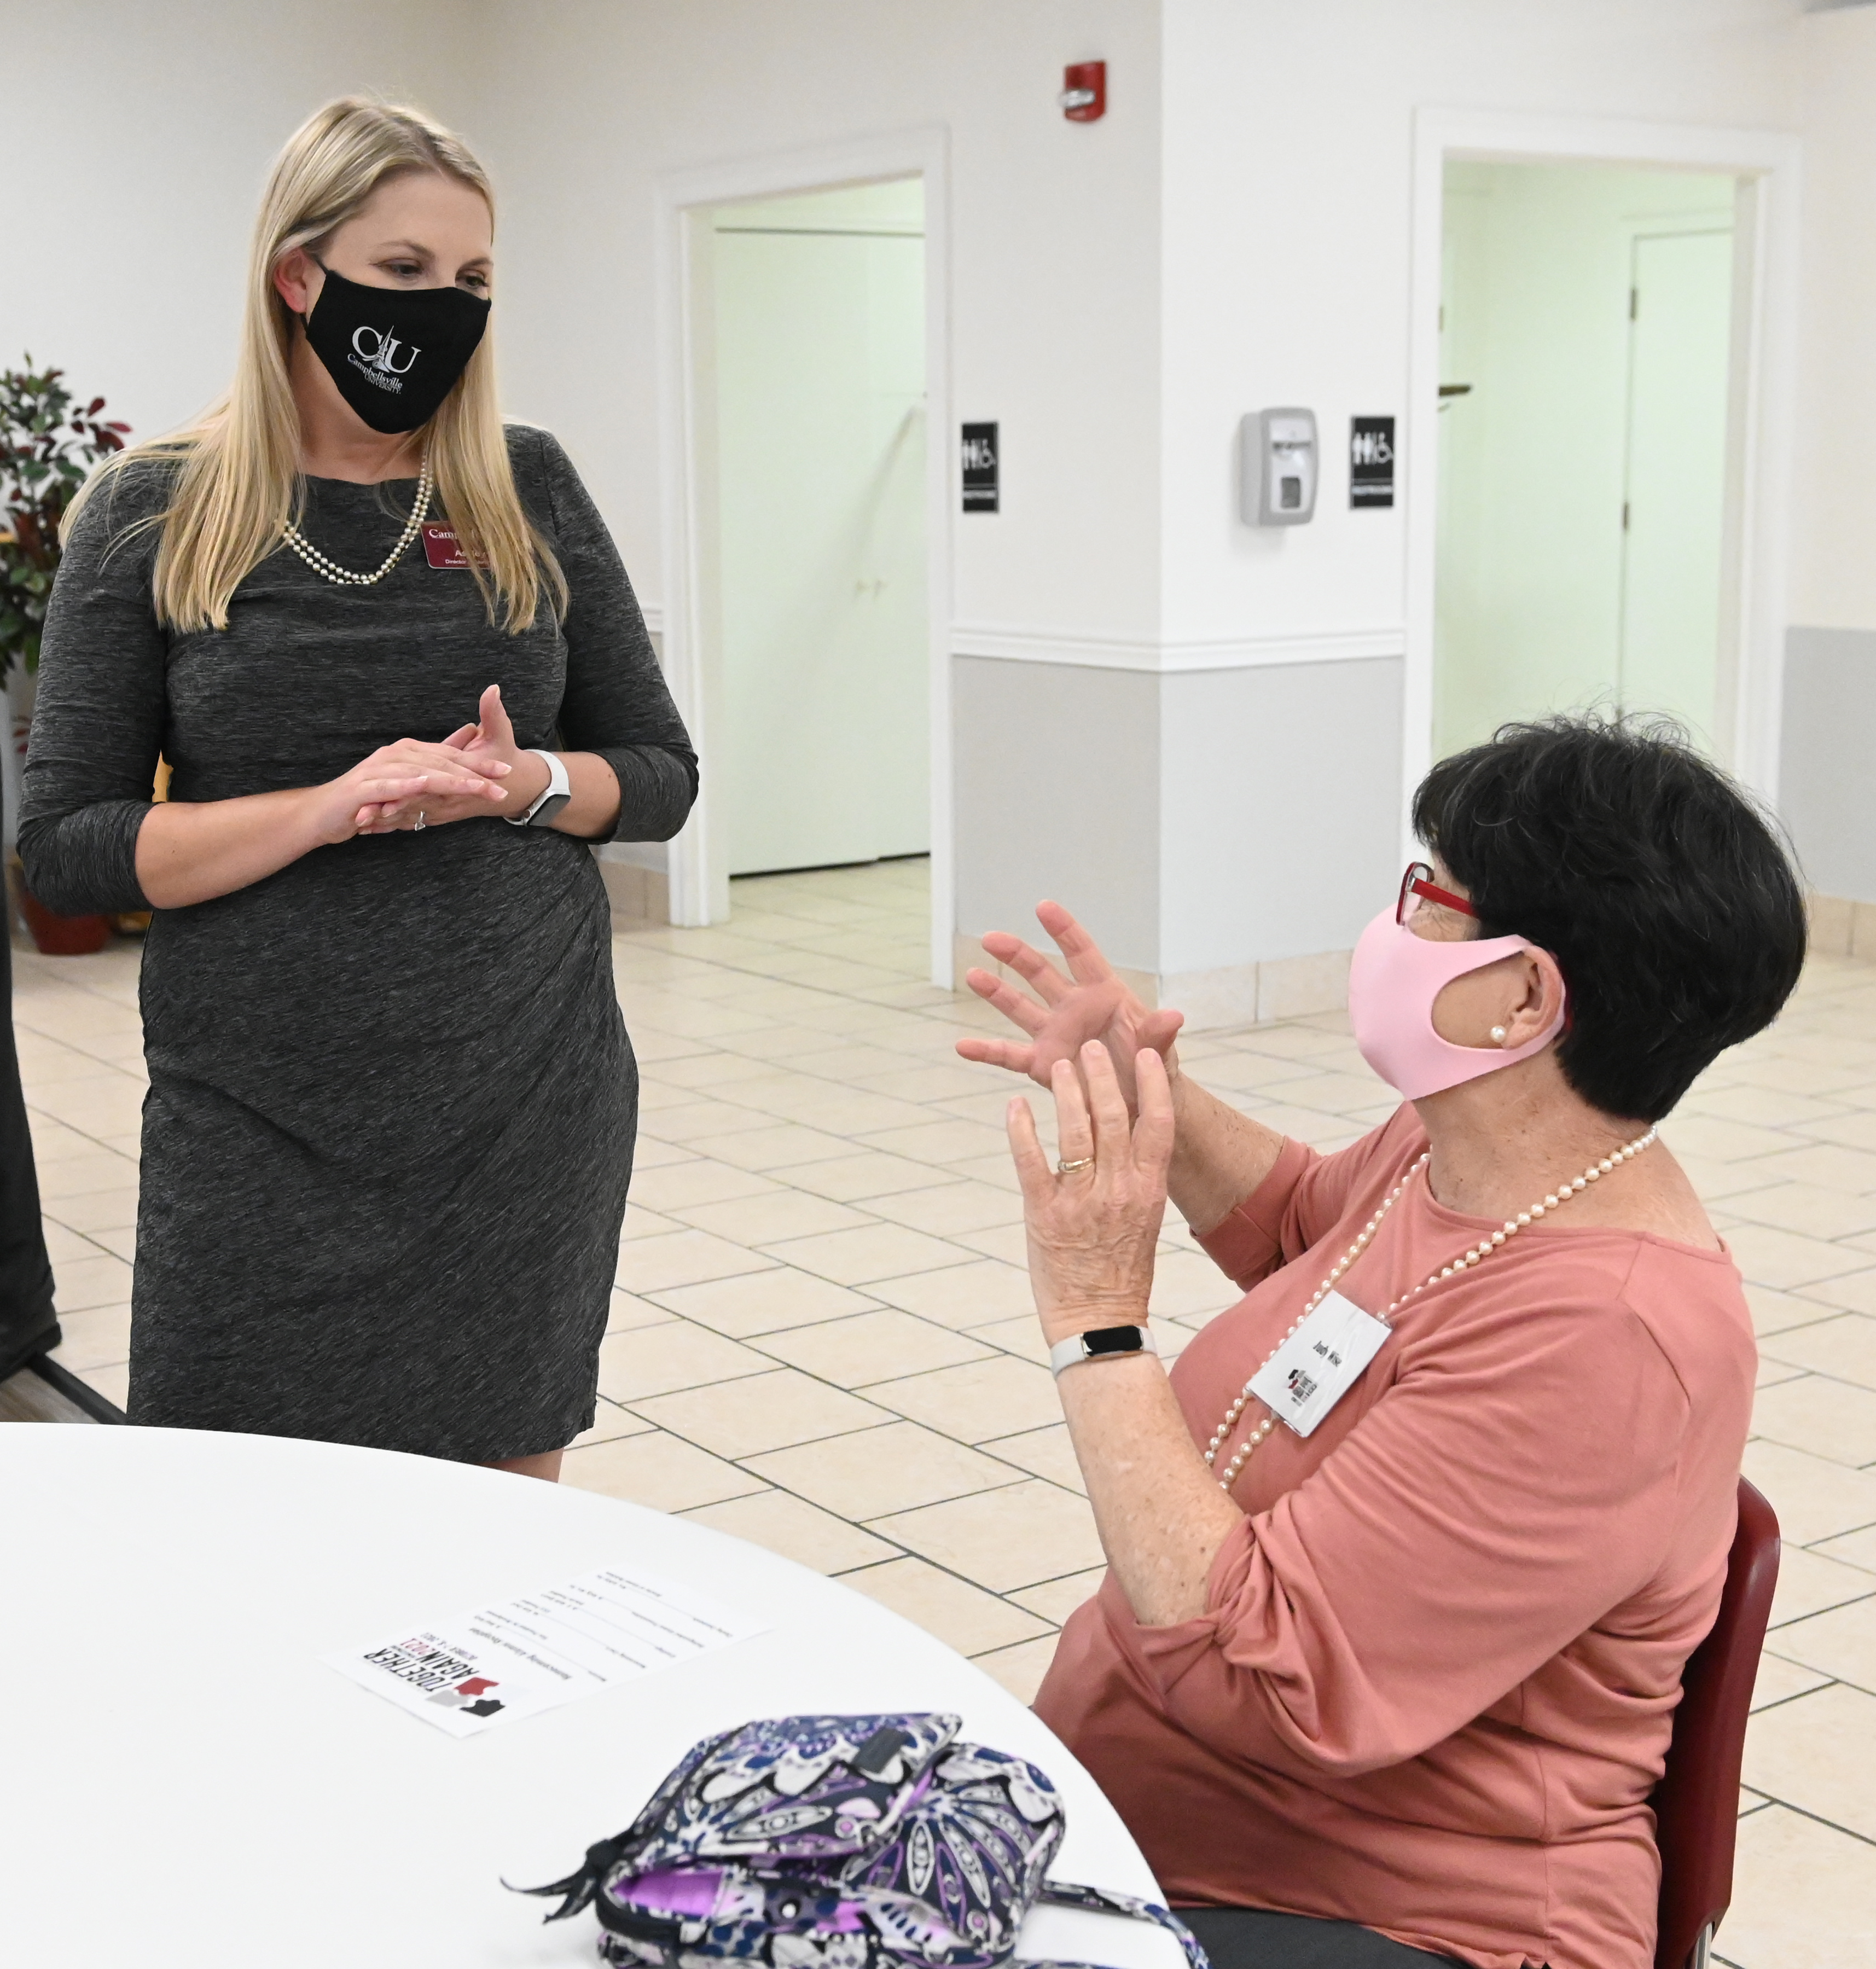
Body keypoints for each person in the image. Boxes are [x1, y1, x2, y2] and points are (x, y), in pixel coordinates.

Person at [959, 717, 1805, 1969]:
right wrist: (1154, 1095)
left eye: (1429, 900)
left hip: (1394, 1914)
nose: (1392, 926)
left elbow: (1269, 1681)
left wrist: (1098, 1324)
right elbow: (1309, 1230)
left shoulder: (1609, 1339)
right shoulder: (1463, 1147)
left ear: (1524, 997)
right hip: (1174, 1831)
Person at [20, 98, 695, 1479]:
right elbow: (69, 848)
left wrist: (521, 783)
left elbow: (658, 775)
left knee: (499, 1516)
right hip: (259, 1113)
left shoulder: (524, 485)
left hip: (521, 1097)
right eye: (403, 271)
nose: (444, 309)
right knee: (238, 1504)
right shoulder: (152, 509)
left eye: (472, 279)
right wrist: (326, 807)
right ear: (298, 274)